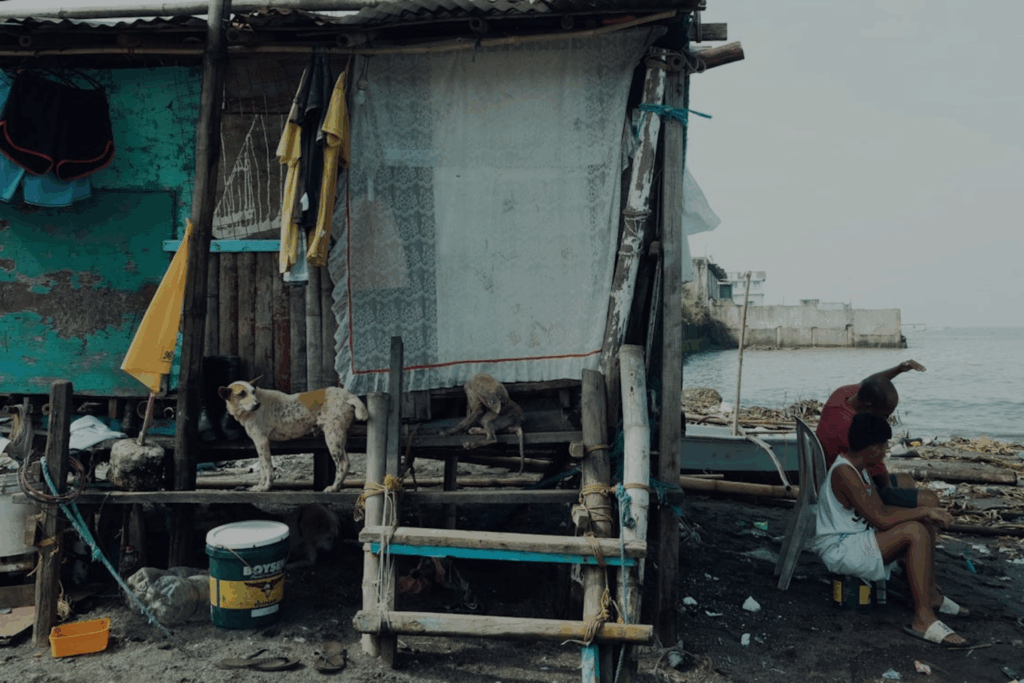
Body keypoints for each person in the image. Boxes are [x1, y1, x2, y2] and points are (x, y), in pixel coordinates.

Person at [812, 412, 970, 646]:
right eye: (885, 447)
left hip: (856, 539)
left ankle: (930, 596)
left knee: (923, 525)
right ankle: (923, 619)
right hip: (840, 548)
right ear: (874, 448)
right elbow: (881, 519)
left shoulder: (859, 467)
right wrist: (925, 511)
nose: (886, 451)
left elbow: (881, 509)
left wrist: (925, 514)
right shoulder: (844, 472)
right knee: (915, 531)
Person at [816, 360, 936, 508]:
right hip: (850, 486)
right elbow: (880, 477)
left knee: (906, 480)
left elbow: (870, 383)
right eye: (884, 415)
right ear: (868, 407)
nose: (885, 420)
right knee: (930, 499)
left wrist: (899, 369)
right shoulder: (855, 430)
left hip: (836, 474)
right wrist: (891, 497)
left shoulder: (842, 395)